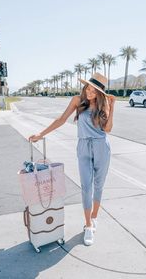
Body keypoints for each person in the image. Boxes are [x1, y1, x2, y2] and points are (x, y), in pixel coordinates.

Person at [29, 72, 115, 246]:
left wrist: (112, 107)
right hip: (83, 146)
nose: (90, 92)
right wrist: (41, 134)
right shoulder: (77, 100)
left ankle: (94, 217)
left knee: (99, 185)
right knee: (85, 186)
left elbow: (107, 130)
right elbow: (61, 120)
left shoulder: (103, 103)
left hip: (101, 147)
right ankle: (88, 225)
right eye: (88, 88)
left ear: (100, 93)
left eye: (94, 90)